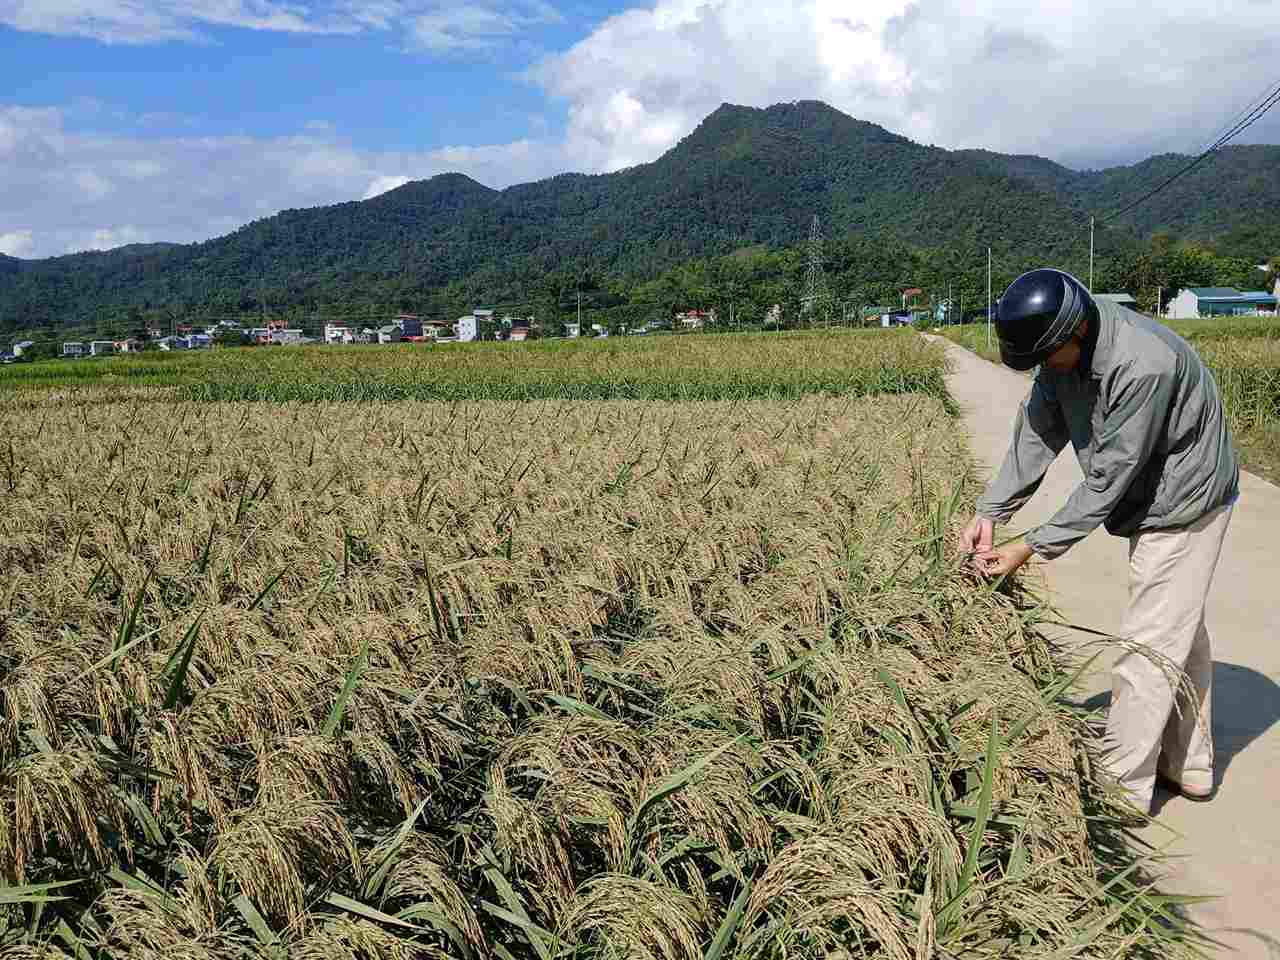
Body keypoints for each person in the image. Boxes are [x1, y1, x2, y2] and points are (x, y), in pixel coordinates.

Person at [960, 268, 1239, 814]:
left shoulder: (1142, 365)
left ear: (1077, 335)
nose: (1044, 370)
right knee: (1179, 629)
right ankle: (1190, 765)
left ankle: (1121, 790)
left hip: (1185, 499)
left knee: (1148, 645)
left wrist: (1030, 546)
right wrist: (991, 511)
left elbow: (1107, 480)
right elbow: (1038, 434)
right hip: (1148, 492)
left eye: (1047, 357)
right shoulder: (1059, 353)